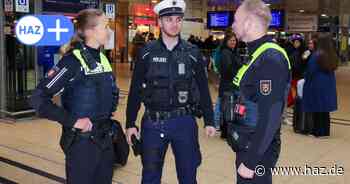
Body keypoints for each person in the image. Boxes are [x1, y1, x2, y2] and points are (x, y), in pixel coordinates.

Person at [125, 0, 216, 183]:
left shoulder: (192, 53)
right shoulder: (146, 53)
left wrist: (209, 120)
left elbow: (203, 89)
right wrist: (130, 123)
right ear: (159, 22)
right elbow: (135, 90)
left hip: (184, 123)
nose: (174, 24)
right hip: (153, 123)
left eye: (178, 19)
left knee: (188, 175)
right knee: (150, 176)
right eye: (169, 19)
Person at [29, 9, 119, 184]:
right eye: (105, 26)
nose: (110, 31)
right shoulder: (72, 62)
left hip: (105, 140)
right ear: (90, 31)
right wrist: (73, 121)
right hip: (82, 145)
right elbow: (38, 98)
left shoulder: (102, 59)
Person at [228, 0, 291, 183]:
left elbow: (271, 116)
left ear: (248, 23)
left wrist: (251, 162)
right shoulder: (256, 53)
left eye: (236, 20)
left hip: (257, 152)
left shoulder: (270, 59)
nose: (233, 25)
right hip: (248, 142)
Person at [302, 33, 338, 138]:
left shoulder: (316, 55)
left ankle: (317, 132)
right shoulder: (332, 55)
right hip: (328, 86)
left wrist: (305, 76)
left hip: (317, 85)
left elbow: (310, 71)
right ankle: (325, 132)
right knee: (325, 111)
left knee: (317, 109)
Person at [217, 32, 241, 138]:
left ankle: (227, 130)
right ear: (226, 41)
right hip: (228, 85)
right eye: (231, 40)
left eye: (234, 40)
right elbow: (228, 69)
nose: (233, 42)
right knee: (227, 108)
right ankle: (226, 131)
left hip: (230, 84)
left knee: (228, 108)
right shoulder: (226, 53)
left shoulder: (232, 52)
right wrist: (237, 73)